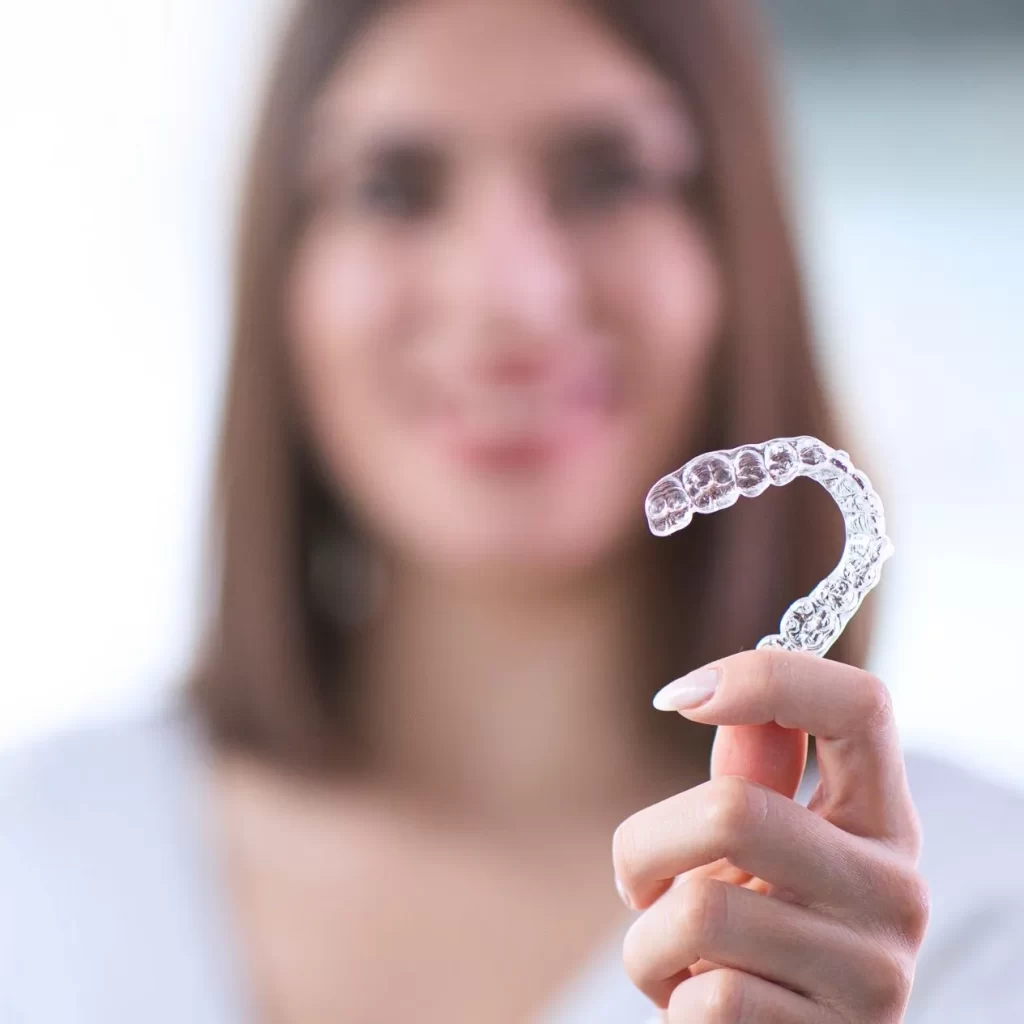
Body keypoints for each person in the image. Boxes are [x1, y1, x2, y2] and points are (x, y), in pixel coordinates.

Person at [3, 1, 1023, 1021]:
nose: (508, 294)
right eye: (393, 188)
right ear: (283, 267)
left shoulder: (979, 911)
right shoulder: (36, 862)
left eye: (605, 176)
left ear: (735, 243)